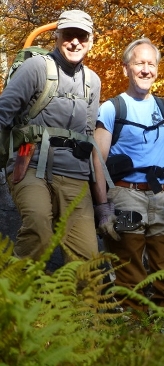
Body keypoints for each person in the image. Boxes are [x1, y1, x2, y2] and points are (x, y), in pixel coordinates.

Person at [91, 38, 164, 313]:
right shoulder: (112, 108)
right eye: (139, 63)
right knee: (129, 273)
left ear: (157, 69)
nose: (146, 69)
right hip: (125, 197)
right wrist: (102, 207)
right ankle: (135, 342)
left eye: (151, 64)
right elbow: (97, 159)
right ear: (126, 68)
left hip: (162, 199)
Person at [0, 10, 101, 263]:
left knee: (87, 258)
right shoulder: (36, 68)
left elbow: (88, 134)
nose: (75, 42)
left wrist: (103, 201)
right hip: (30, 164)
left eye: (82, 36)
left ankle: (77, 304)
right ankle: (12, 296)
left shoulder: (93, 81)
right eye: (69, 35)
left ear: (91, 40)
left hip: (75, 174)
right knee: (38, 229)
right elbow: (3, 112)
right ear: (57, 36)